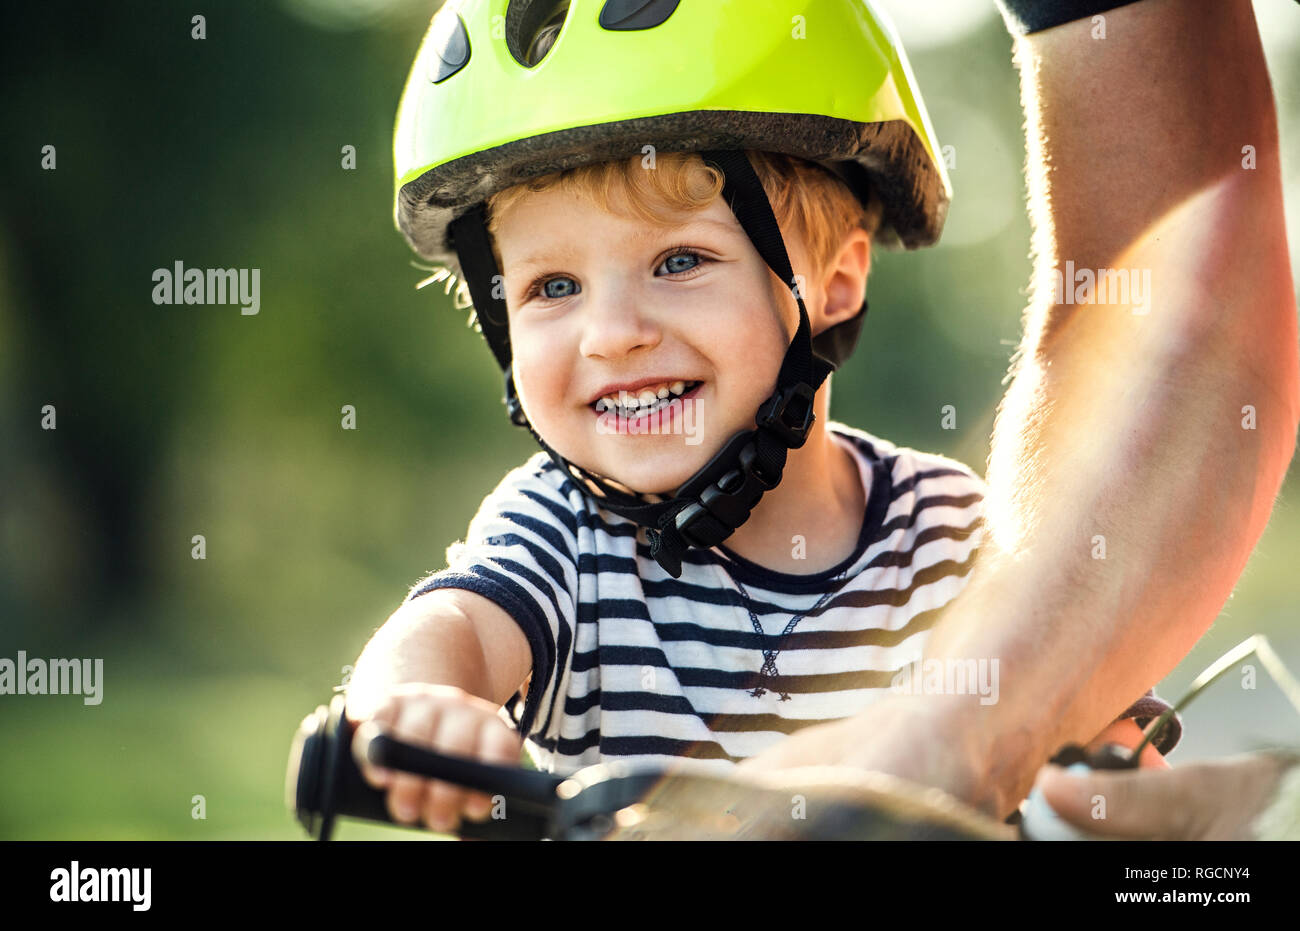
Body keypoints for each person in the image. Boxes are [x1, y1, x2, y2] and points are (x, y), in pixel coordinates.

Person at [342, 0, 1199, 835]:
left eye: (679, 260)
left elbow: (1076, 712)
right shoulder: (563, 534)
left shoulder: (944, 533)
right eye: (552, 286)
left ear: (832, 284)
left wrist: (1103, 775)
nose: (610, 335)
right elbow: (448, 628)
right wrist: (420, 707)